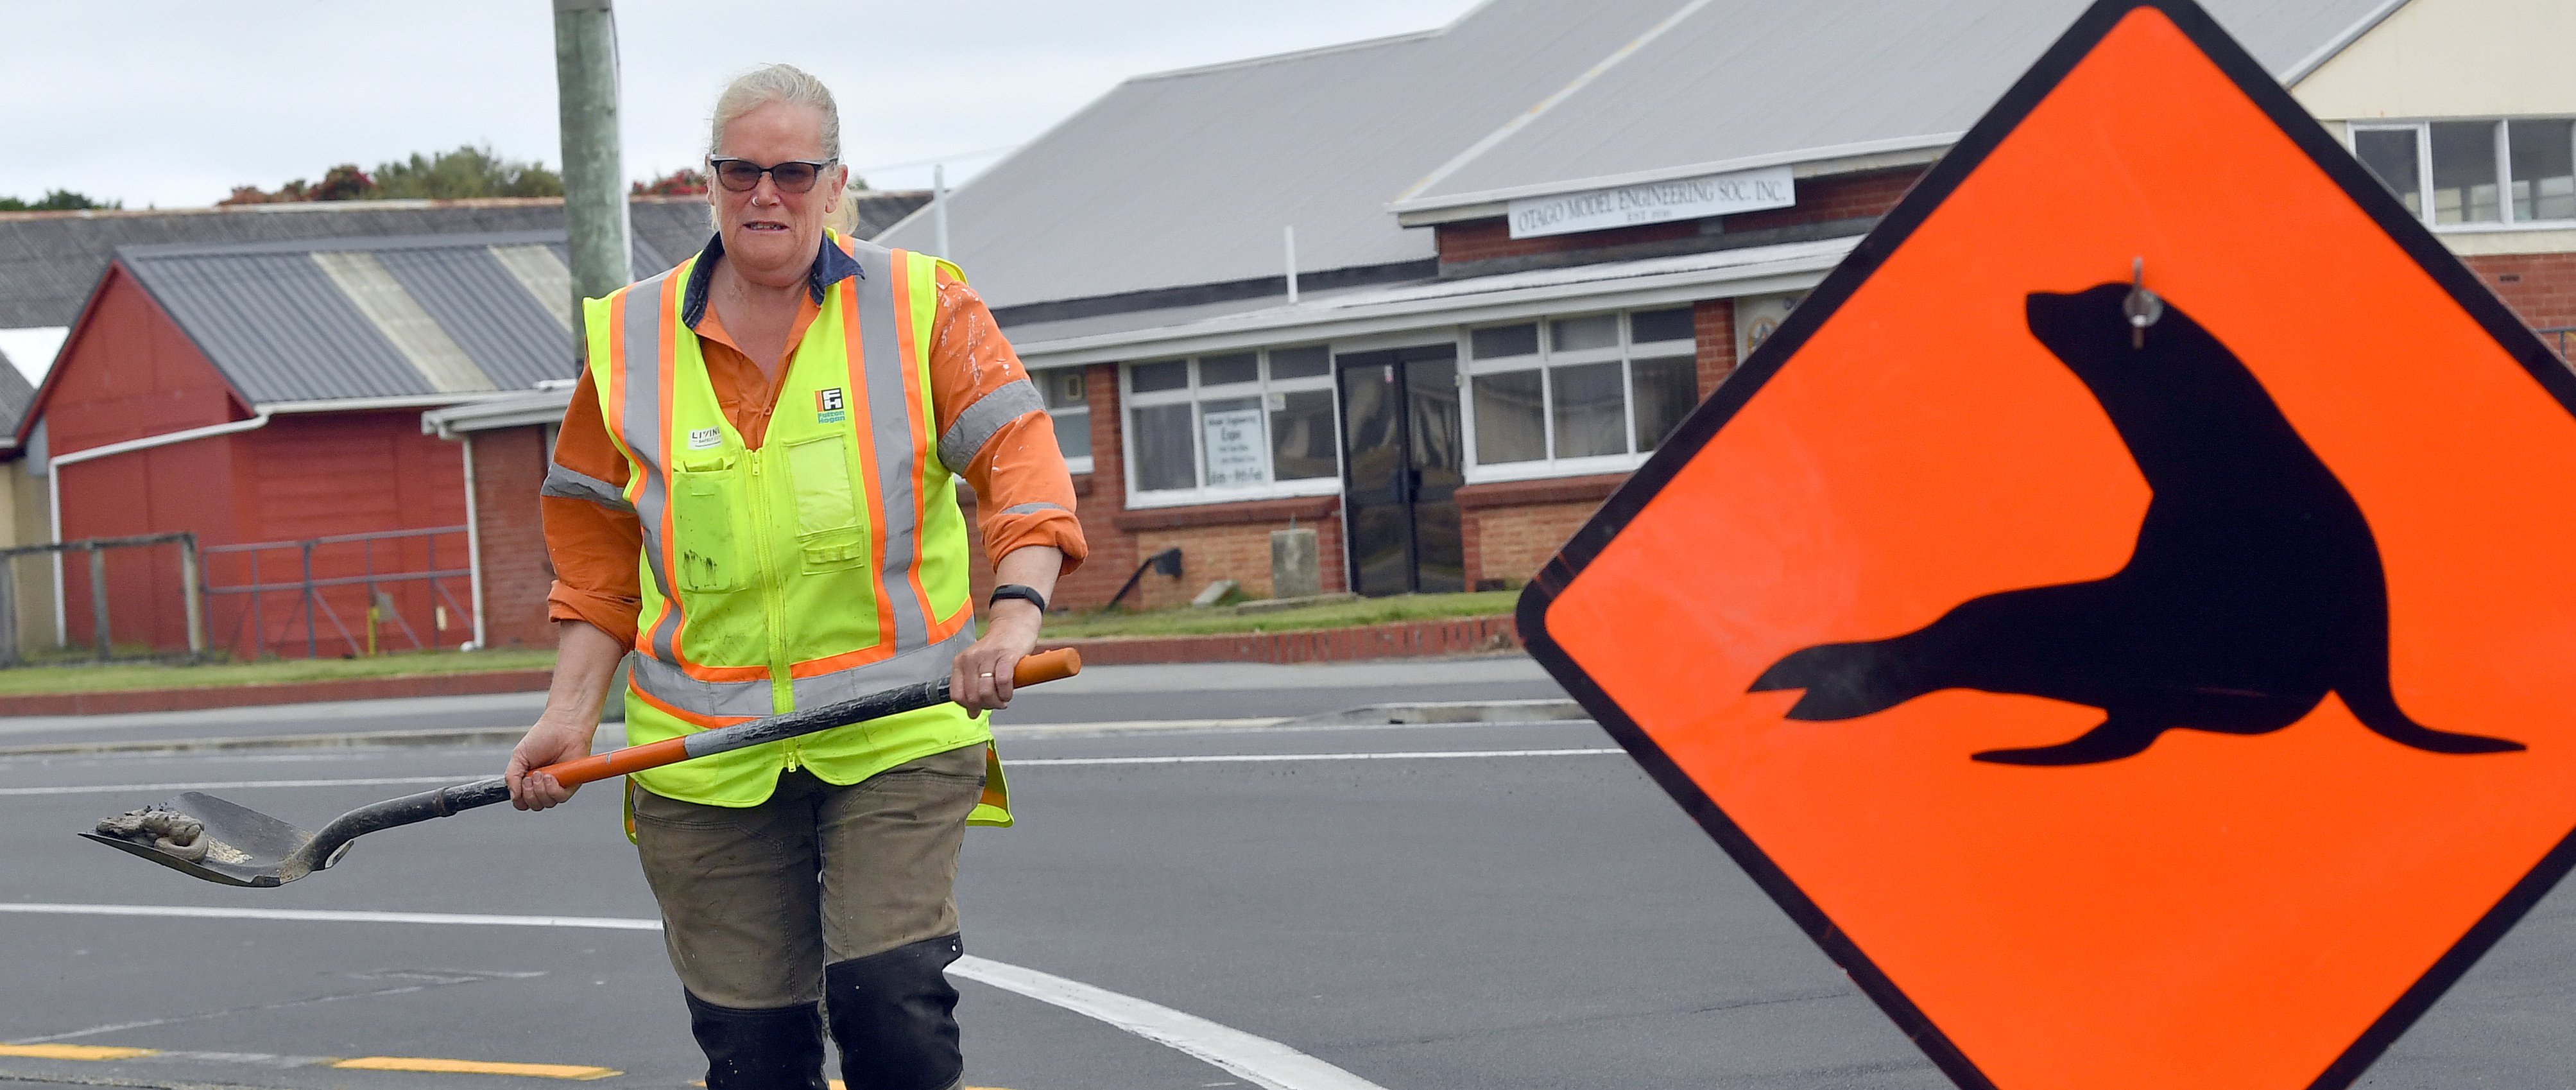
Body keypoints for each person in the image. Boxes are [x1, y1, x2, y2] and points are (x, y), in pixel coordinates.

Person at [504, 64, 1085, 1090]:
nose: (763, 194)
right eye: (739, 171)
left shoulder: (921, 306)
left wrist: (1011, 621)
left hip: (893, 727)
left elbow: (1023, 474)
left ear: (832, 181)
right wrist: (568, 713)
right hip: (707, 754)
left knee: (889, 1007)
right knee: (756, 1057)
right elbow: (595, 562)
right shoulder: (629, 340)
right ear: (710, 180)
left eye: (790, 171)